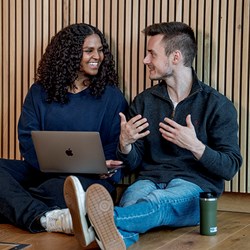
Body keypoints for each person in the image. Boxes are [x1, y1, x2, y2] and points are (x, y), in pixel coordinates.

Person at [64, 21, 242, 249]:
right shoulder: (144, 102)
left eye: (151, 54)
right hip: (148, 181)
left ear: (175, 57)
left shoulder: (217, 105)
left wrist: (195, 146)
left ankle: (86, 222)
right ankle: (115, 238)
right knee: (133, 202)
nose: (145, 60)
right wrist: (125, 145)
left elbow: (230, 167)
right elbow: (132, 165)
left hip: (194, 187)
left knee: (157, 203)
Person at [0, 23, 128, 243]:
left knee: (63, 189)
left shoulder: (111, 96)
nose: (97, 56)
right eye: (89, 51)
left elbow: (113, 147)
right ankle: (47, 217)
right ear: (68, 54)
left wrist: (105, 167)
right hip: (40, 171)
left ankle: (19, 206)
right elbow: (27, 141)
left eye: (100, 50)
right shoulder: (39, 92)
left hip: (87, 179)